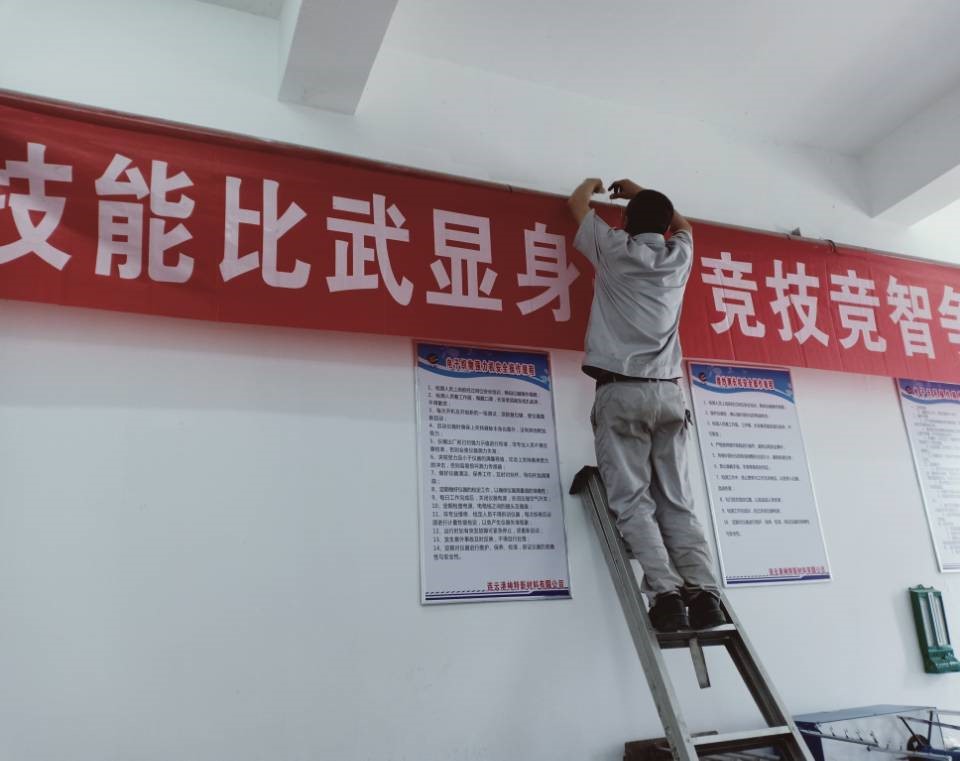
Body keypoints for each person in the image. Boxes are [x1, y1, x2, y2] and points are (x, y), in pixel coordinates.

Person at [567, 177, 724, 632]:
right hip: (670, 394)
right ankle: (705, 595)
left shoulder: (615, 248)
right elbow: (685, 225)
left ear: (626, 222)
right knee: (677, 500)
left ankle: (666, 595)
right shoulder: (679, 256)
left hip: (621, 391)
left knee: (633, 500)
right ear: (665, 225)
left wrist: (594, 184)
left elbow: (577, 203)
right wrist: (642, 192)